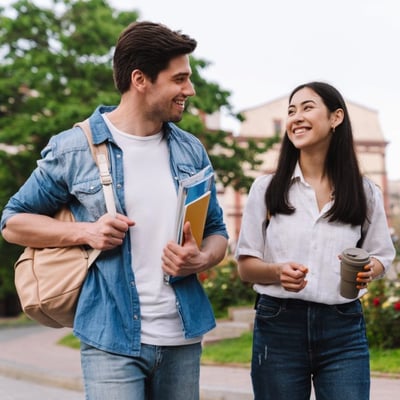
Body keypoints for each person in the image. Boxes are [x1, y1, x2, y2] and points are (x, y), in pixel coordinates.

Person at [1, 21, 228, 400]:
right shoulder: (75, 148)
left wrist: (201, 258)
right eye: (179, 79)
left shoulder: (191, 151)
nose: (189, 90)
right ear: (141, 79)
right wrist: (85, 233)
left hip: (182, 336)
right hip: (111, 337)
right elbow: (13, 222)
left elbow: (218, 230)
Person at [235, 81, 395, 400]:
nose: (296, 117)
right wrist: (276, 272)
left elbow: (381, 255)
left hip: (343, 326)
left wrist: (369, 269)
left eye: (307, 107)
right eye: (291, 111)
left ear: (336, 118)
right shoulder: (266, 189)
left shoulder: (365, 193)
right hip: (278, 324)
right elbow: (246, 266)